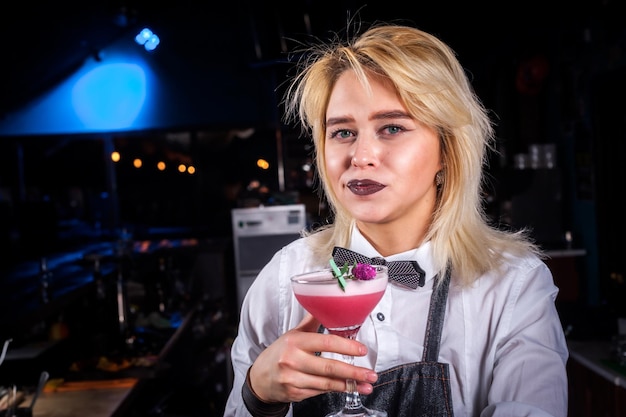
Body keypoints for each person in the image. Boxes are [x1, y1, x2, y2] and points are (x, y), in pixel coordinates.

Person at [224, 23, 569, 417]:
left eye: (392, 128)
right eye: (342, 132)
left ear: (446, 150)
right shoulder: (287, 275)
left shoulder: (513, 286)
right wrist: (258, 393)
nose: (361, 155)